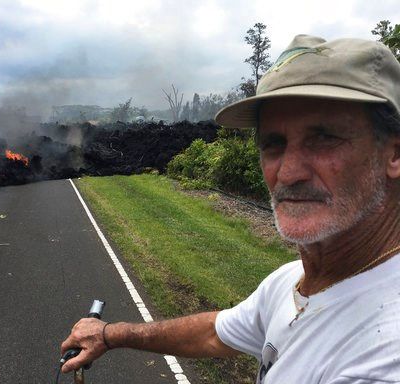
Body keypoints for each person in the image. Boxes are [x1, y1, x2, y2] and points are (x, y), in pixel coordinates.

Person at [61, 35, 400, 383]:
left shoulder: (386, 353)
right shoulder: (291, 282)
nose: (288, 172)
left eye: (324, 138)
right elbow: (214, 333)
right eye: (273, 143)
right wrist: (108, 335)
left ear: (393, 153)